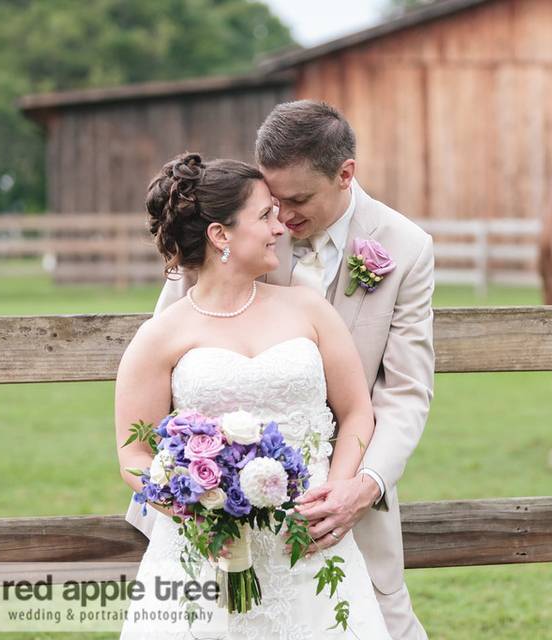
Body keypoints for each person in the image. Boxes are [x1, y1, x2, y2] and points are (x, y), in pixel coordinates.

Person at [125, 100, 434, 639]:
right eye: (272, 201)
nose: (283, 219)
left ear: (345, 174)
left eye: (297, 201)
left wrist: (361, 486)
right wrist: (196, 494)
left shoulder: (404, 248)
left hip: (338, 508)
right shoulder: (233, 224)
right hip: (209, 518)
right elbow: (166, 374)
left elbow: (404, 393)